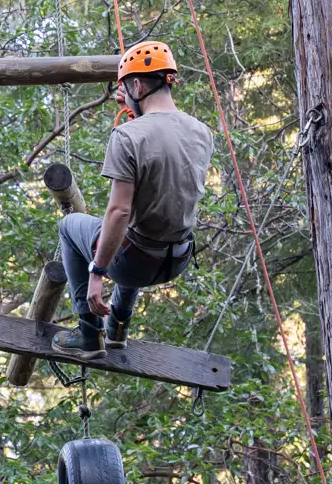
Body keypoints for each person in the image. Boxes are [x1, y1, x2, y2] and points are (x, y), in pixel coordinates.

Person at [52, 41, 215, 360]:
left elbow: (119, 211)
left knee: (71, 225)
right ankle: (118, 328)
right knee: (136, 229)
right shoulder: (202, 133)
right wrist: (134, 112)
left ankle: (88, 332)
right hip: (176, 260)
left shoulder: (127, 137)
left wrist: (97, 273)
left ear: (137, 84)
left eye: (127, 87)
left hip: (132, 264)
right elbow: (160, 164)